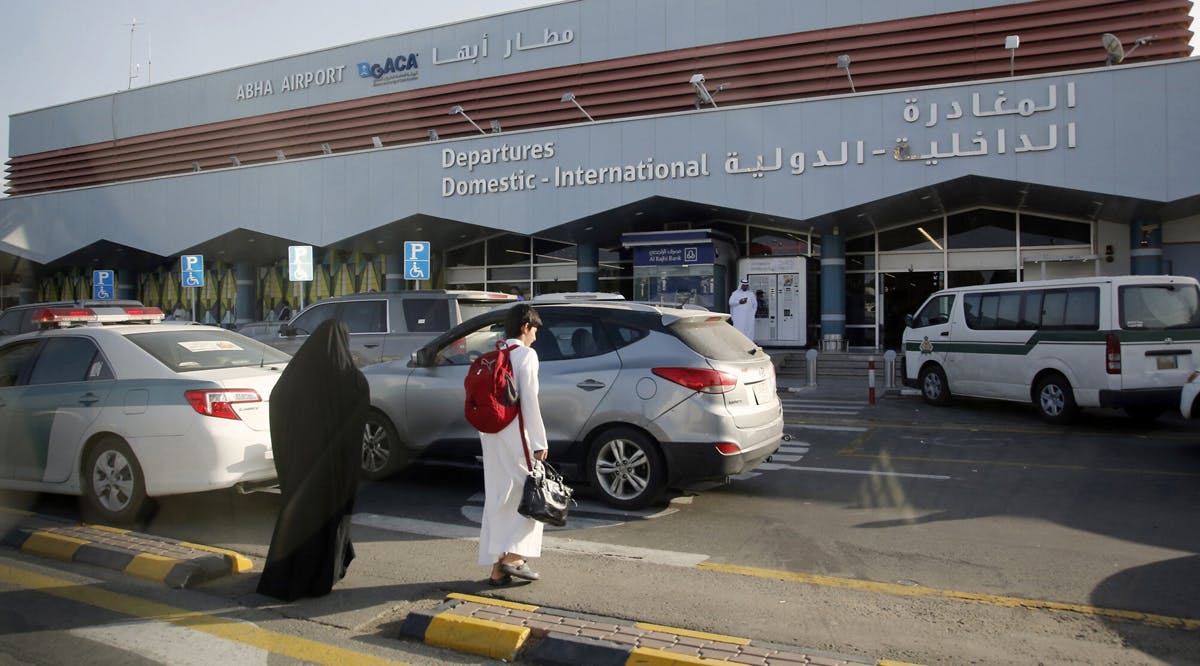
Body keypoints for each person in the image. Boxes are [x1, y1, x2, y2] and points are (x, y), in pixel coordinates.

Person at [257, 319, 368, 601]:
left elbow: (277, 406)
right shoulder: (352, 380)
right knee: (331, 520)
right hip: (335, 471)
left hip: (300, 467)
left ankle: (287, 576)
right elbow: (359, 426)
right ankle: (322, 575)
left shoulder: (294, 378)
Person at [478, 303, 548, 586]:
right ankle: (514, 558)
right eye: (534, 331)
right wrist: (539, 442)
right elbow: (529, 401)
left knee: (498, 498)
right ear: (524, 327)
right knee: (529, 497)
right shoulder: (526, 356)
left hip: (490, 435)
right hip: (515, 434)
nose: (535, 337)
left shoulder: (493, 354)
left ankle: (497, 566)